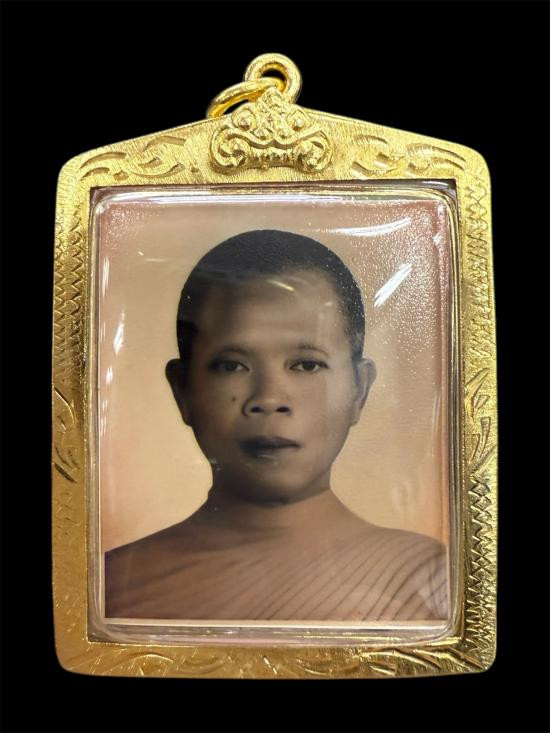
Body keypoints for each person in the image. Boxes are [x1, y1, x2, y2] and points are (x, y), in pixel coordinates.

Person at [105, 229, 448, 621]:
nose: (268, 399)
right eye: (232, 366)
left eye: (307, 365)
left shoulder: (426, 579)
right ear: (183, 389)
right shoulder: (111, 586)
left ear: (360, 389)